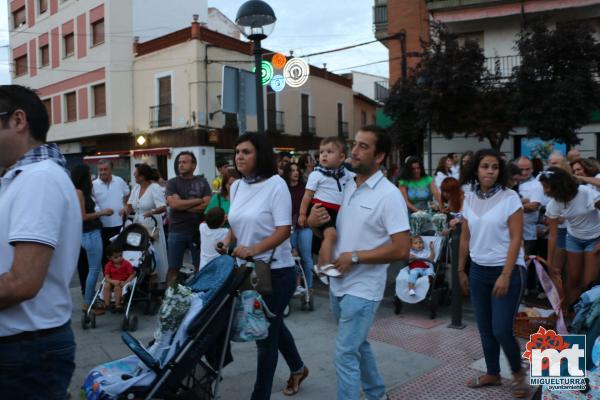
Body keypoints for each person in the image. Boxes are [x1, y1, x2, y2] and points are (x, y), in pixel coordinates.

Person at [308, 125, 410, 400]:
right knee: (358, 345)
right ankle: (377, 394)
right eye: (355, 144)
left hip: (363, 289)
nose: (354, 150)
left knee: (344, 353)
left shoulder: (389, 195)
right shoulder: (348, 185)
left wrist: (355, 257)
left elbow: (402, 248)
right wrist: (315, 224)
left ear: (379, 157)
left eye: (364, 146)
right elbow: (333, 229)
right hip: (337, 283)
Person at [0, 85, 81, 398]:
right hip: (23, 349)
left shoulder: (39, 178)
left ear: (18, 121)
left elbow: (23, 282)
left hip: (25, 354)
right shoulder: (20, 178)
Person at [222, 133, 308, 399]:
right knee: (273, 324)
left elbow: (284, 230)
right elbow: (235, 224)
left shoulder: (276, 185)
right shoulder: (236, 186)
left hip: (276, 271)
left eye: (246, 151)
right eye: (237, 152)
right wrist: (227, 240)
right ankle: (298, 368)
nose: (239, 156)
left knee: (265, 337)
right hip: (246, 272)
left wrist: (254, 249)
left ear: (260, 155)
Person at [458, 148, 530, 398]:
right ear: (476, 169)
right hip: (478, 271)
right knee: (485, 328)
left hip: (508, 270)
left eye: (495, 167)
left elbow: (516, 238)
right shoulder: (468, 198)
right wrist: (461, 269)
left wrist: (506, 274)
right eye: (485, 166)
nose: (490, 171)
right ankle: (493, 373)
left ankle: (518, 375)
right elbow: (465, 237)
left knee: (501, 329)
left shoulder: (510, 197)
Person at [540, 168, 600, 310]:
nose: (545, 191)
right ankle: (573, 317)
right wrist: (549, 262)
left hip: (595, 238)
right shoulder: (554, 204)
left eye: (547, 187)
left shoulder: (585, 193)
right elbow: (553, 235)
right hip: (574, 238)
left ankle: (587, 318)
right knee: (573, 280)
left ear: (558, 185)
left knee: (588, 283)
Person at [299, 137, 353, 272]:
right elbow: (307, 195)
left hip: (336, 211)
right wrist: (302, 214)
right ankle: (324, 265)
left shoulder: (345, 174)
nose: (324, 155)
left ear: (341, 157)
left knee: (332, 238)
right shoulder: (316, 174)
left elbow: (357, 176)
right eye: (322, 152)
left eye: (329, 152)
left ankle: (322, 264)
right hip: (321, 208)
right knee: (331, 235)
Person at [165, 151, 212, 284]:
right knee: (173, 267)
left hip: (197, 232)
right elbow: (174, 204)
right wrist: (198, 200)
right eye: (179, 162)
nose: (180, 165)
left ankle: (198, 296)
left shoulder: (202, 182)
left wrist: (182, 205)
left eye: (184, 162)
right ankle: (169, 297)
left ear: (193, 165)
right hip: (176, 231)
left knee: (200, 267)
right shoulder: (172, 183)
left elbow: (207, 204)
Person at [72, 164, 111, 315]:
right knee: (94, 270)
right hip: (89, 233)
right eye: (89, 174)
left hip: (89, 233)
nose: (91, 176)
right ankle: (88, 303)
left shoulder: (82, 191)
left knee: (92, 269)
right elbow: (83, 217)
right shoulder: (79, 192)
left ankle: (90, 301)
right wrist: (102, 213)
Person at [127, 163, 168, 282]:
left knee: (154, 253)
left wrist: (152, 211)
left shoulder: (155, 187)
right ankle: (141, 280)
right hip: (138, 224)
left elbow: (163, 207)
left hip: (152, 224)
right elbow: (130, 204)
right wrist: (124, 211)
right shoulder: (136, 188)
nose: (134, 175)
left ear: (142, 176)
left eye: (136, 173)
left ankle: (159, 281)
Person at [283, 162, 314, 310]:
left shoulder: (305, 187)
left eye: (297, 170)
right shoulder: (283, 188)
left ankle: (309, 288)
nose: (295, 173)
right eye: (292, 170)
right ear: (288, 173)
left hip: (305, 226)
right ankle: (296, 286)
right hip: (290, 228)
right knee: (293, 258)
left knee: (307, 258)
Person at [92, 159, 130, 262]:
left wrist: (126, 206)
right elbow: (92, 203)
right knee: (106, 257)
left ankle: (122, 277)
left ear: (111, 170)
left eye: (105, 169)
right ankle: (107, 277)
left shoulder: (119, 181)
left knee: (122, 256)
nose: (103, 172)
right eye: (100, 170)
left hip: (120, 225)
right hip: (102, 227)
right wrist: (101, 212)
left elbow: (128, 194)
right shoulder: (93, 185)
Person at [516, 157, 544, 258]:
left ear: (532, 169)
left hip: (528, 234)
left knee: (527, 264)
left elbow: (534, 206)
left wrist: (513, 205)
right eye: (521, 169)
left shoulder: (536, 185)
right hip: (509, 233)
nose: (524, 172)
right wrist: (524, 202)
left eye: (527, 169)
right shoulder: (512, 183)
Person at [102, 242, 135, 313]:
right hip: (112, 281)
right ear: (109, 258)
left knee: (117, 288)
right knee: (106, 285)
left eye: (121, 255)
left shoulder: (126, 264)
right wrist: (112, 281)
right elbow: (106, 277)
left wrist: (126, 282)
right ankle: (107, 304)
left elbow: (132, 274)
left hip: (122, 282)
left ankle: (118, 305)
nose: (120, 258)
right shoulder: (109, 265)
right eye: (116, 257)